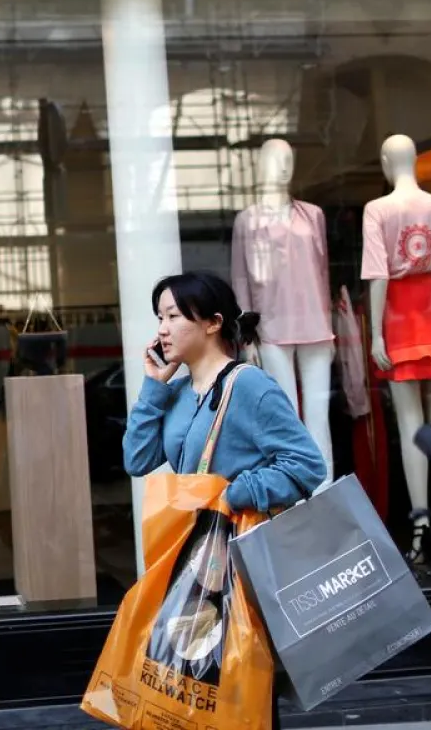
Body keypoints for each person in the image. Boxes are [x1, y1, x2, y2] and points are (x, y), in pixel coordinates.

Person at [124, 269, 327, 729]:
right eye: (159, 316)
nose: (162, 328)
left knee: (241, 675)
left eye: (174, 315)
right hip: (195, 563)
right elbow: (137, 459)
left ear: (213, 323)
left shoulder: (248, 385)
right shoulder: (176, 393)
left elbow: (306, 464)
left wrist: (233, 494)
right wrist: (155, 387)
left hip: (241, 558)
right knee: (196, 687)